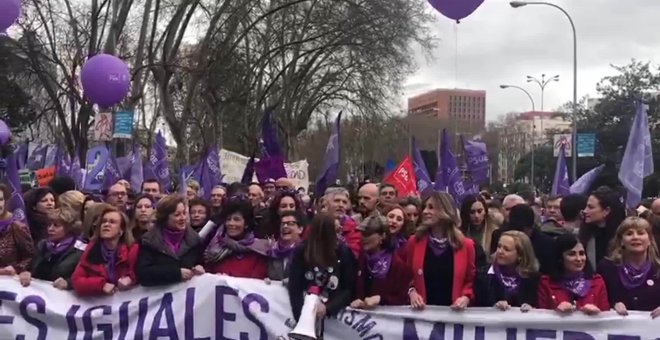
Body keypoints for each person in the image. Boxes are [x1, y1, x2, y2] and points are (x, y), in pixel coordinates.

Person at [287, 213, 356, 337]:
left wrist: (328, 308)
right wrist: (301, 318)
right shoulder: (302, 251)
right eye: (335, 230)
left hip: (331, 319)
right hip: (306, 310)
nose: (338, 234)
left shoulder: (343, 251)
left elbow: (348, 289)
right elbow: (294, 288)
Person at [406, 192, 476, 310]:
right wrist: (412, 292)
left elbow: (471, 280)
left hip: (454, 315)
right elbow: (407, 277)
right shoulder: (414, 242)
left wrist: (466, 297)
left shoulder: (466, 245)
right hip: (422, 315)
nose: (425, 212)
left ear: (445, 211)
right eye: (425, 207)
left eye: (431, 207)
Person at [598, 217, 660, 317]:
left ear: (649, 240)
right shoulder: (606, 267)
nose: (635, 237)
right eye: (629, 233)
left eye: (640, 233)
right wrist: (612, 305)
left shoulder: (658, 268)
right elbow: (597, 300)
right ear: (621, 241)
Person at [136, 195, 204, 286]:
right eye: (177, 215)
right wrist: (175, 273)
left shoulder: (195, 240)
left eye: (184, 213)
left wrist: (200, 267)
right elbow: (143, 273)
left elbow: (200, 262)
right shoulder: (148, 241)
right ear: (165, 218)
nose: (183, 218)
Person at [71, 206, 138, 296]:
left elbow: (140, 273)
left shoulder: (132, 250)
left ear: (121, 230)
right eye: (104, 221)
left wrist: (131, 278)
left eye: (112, 222)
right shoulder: (91, 250)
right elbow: (77, 281)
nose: (106, 224)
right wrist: (101, 285)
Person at [537, 234, 609, 315]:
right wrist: (556, 313)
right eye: (572, 254)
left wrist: (597, 313)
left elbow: (606, 318)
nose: (579, 259)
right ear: (560, 257)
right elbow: (541, 319)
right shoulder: (546, 283)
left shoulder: (597, 282)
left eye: (582, 253)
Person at [351, 215, 411, 308]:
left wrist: (381, 299)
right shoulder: (362, 257)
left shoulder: (397, 264)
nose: (363, 238)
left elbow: (402, 298)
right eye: (362, 233)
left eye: (368, 234)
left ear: (382, 236)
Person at [19, 208, 85, 289]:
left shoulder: (80, 250)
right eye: (49, 225)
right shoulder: (42, 245)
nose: (50, 229)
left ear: (69, 228)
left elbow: (84, 277)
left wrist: (69, 283)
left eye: (56, 225)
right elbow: (32, 268)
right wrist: (27, 273)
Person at [204, 198, 270, 278]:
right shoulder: (215, 249)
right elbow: (208, 273)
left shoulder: (259, 251)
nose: (231, 223)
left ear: (246, 224)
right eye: (228, 219)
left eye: (236, 220)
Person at [477, 230, 539, 311]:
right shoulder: (483, 275)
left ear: (520, 255)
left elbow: (542, 307)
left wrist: (532, 310)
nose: (500, 251)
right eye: (499, 246)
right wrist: (494, 307)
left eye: (506, 249)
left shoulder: (533, 278)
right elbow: (477, 306)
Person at [581, 188, 626, 268]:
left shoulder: (624, 238)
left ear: (606, 211)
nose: (585, 211)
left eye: (590, 207)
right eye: (586, 206)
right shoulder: (580, 236)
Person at [0, 184, 35, 277]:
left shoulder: (17, 227)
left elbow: (30, 256)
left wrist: (16, 268)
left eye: (0, 199)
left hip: (10, 281)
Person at [266, 210, 304, 281]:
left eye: (290, 223)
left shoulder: (306, 253)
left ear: (300, 229)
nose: (285, 226)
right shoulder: (272, 252)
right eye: (282, 224)